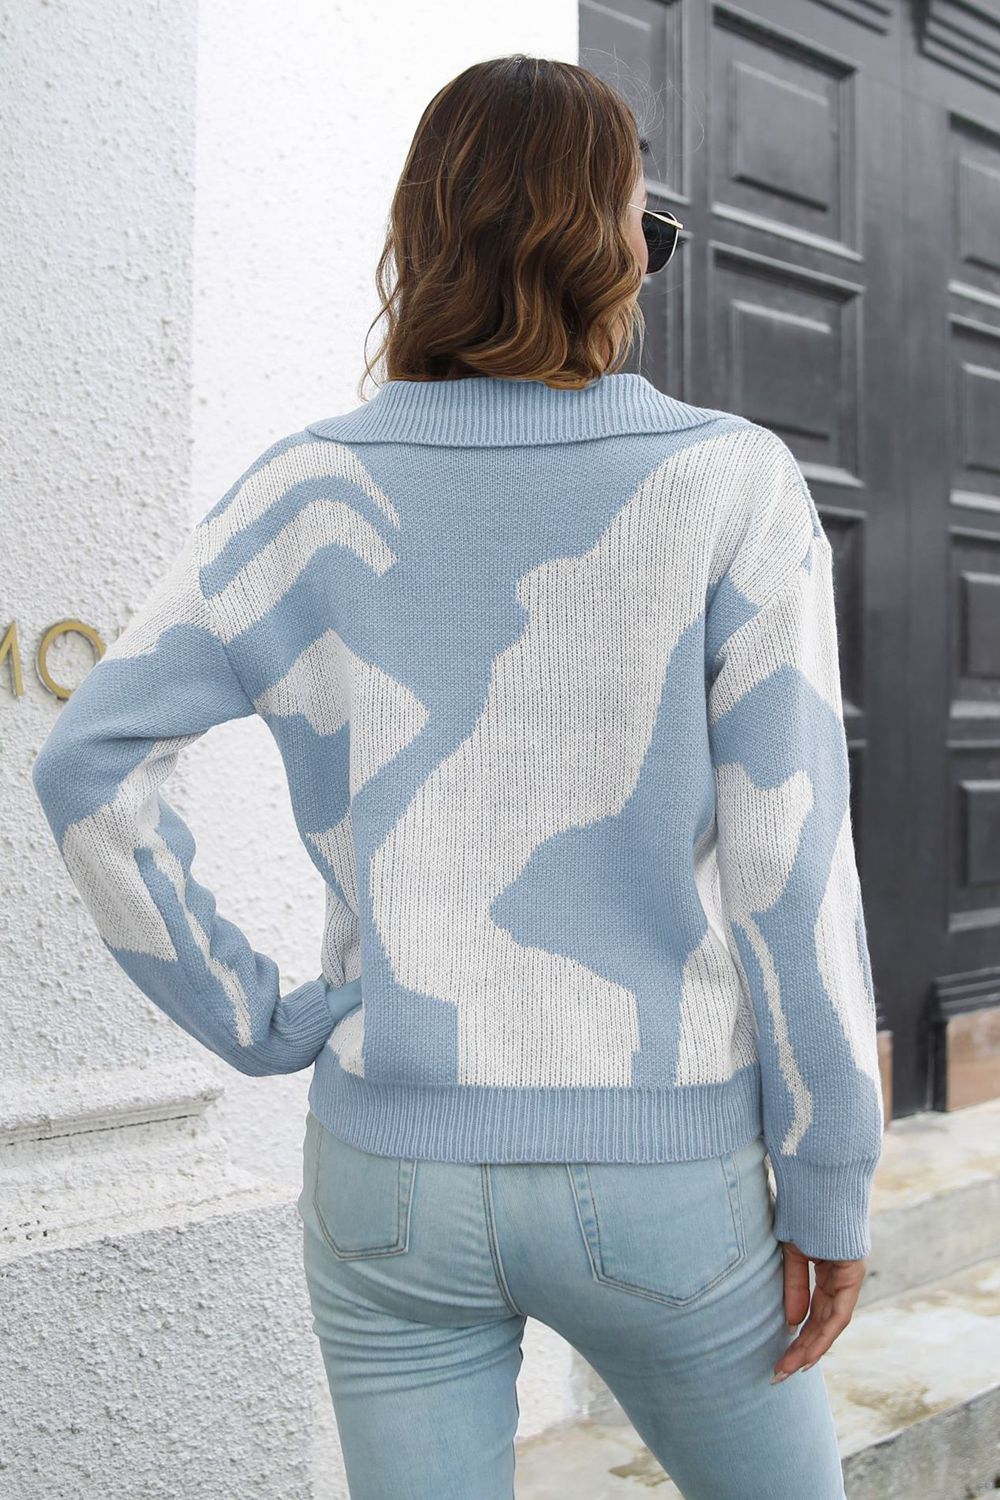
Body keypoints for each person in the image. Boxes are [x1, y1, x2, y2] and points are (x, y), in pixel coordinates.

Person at [31, 52, 884, 1500]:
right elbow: (787, 859)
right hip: (663, 1178)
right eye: (648, 230)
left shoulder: (303, 490)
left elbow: (87, 762)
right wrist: (828, 1169)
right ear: (610, 246)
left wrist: (260, 1020)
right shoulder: (727, 481)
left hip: (389, 1179)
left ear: (422, 238)